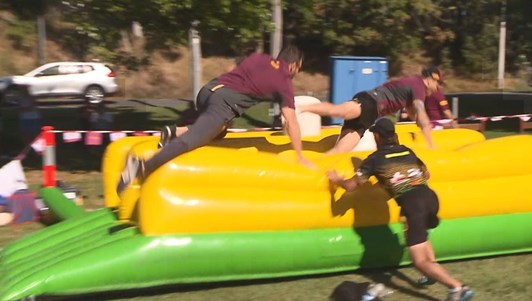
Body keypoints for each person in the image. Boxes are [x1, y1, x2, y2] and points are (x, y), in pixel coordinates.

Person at [117, 45, 312, 195]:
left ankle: (174, 132)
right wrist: (300, 156)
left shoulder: (259, 58)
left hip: (208, 90)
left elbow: (233, 67)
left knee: (221, 130)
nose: (296, 74)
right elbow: (291, 121)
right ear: (293, 65)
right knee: (192, 140)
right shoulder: (284, 81)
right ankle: (142, 166)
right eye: (298, 70)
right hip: (223, 104)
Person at [325, 117, 474, 301]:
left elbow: (350, 186)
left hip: (413, 204)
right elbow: (425, 173)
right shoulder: (406, 151)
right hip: (429, 196)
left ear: (377, 137)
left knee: (418, 260)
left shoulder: (374, 159)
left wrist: (336, 180)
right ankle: (431, 274)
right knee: (420, 235)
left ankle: (458, 288)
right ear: (394, 136)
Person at [299, 67, 443, 154]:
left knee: (340, 151)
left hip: (370, 114)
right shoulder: (418, 85)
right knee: (338, 111)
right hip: (369, 101)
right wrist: (431, 144)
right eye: (437, 84)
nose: (437, 88)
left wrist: (420, 122)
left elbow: (413, 112)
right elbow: (420, 110)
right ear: (430, 80)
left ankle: (314, 172)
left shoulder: (413, 85)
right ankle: (301, 108)